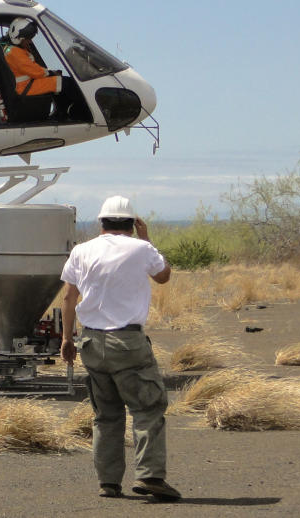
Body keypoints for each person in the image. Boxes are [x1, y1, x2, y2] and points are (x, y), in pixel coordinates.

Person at [59, 196, 181, 502]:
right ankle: (150, 476)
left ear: (101, 222)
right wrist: (148, 239)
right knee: (147, 408)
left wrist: (66, 339)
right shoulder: (141, 249)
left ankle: (109, 482)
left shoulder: (81, 251)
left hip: (91, 342)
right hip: (127, 342)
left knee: (106, 415)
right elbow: (164, 276)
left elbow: (69, 298)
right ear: (132, 223)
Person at [5, 19, 62, 97]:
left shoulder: (12, 50)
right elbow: (35, 71)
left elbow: (32, 69)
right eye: (27, 39)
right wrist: (51, 73)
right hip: (24, 87)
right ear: (18, 38)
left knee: (61, 82)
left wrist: (50, 73)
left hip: (27, 83)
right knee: (64, 83)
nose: (30, 42)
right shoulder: (15, 52)